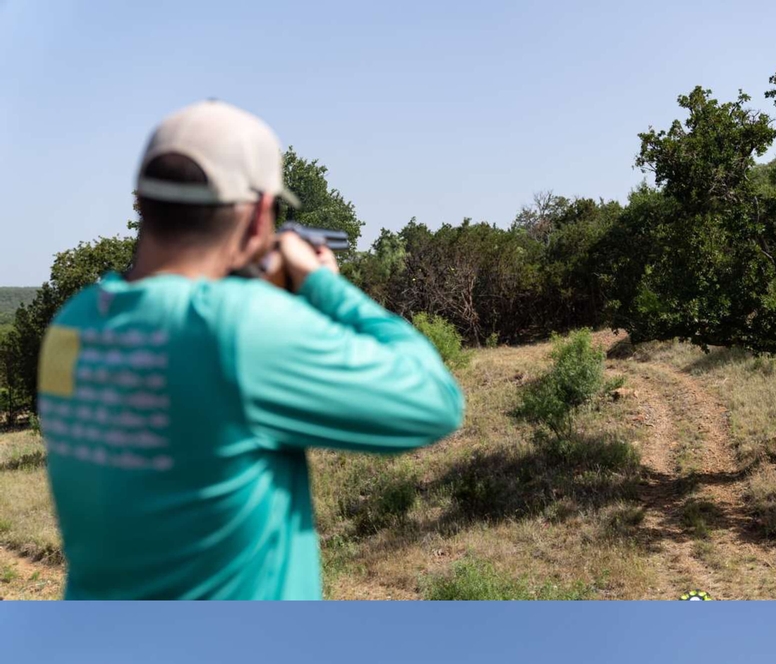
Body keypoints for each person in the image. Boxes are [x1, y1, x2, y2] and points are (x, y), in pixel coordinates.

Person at [37, 99, 464, 599]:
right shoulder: (236, 327)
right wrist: (321, 284)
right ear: (260, 211)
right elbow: (435, 401)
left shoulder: (72, 323)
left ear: (146, 201)